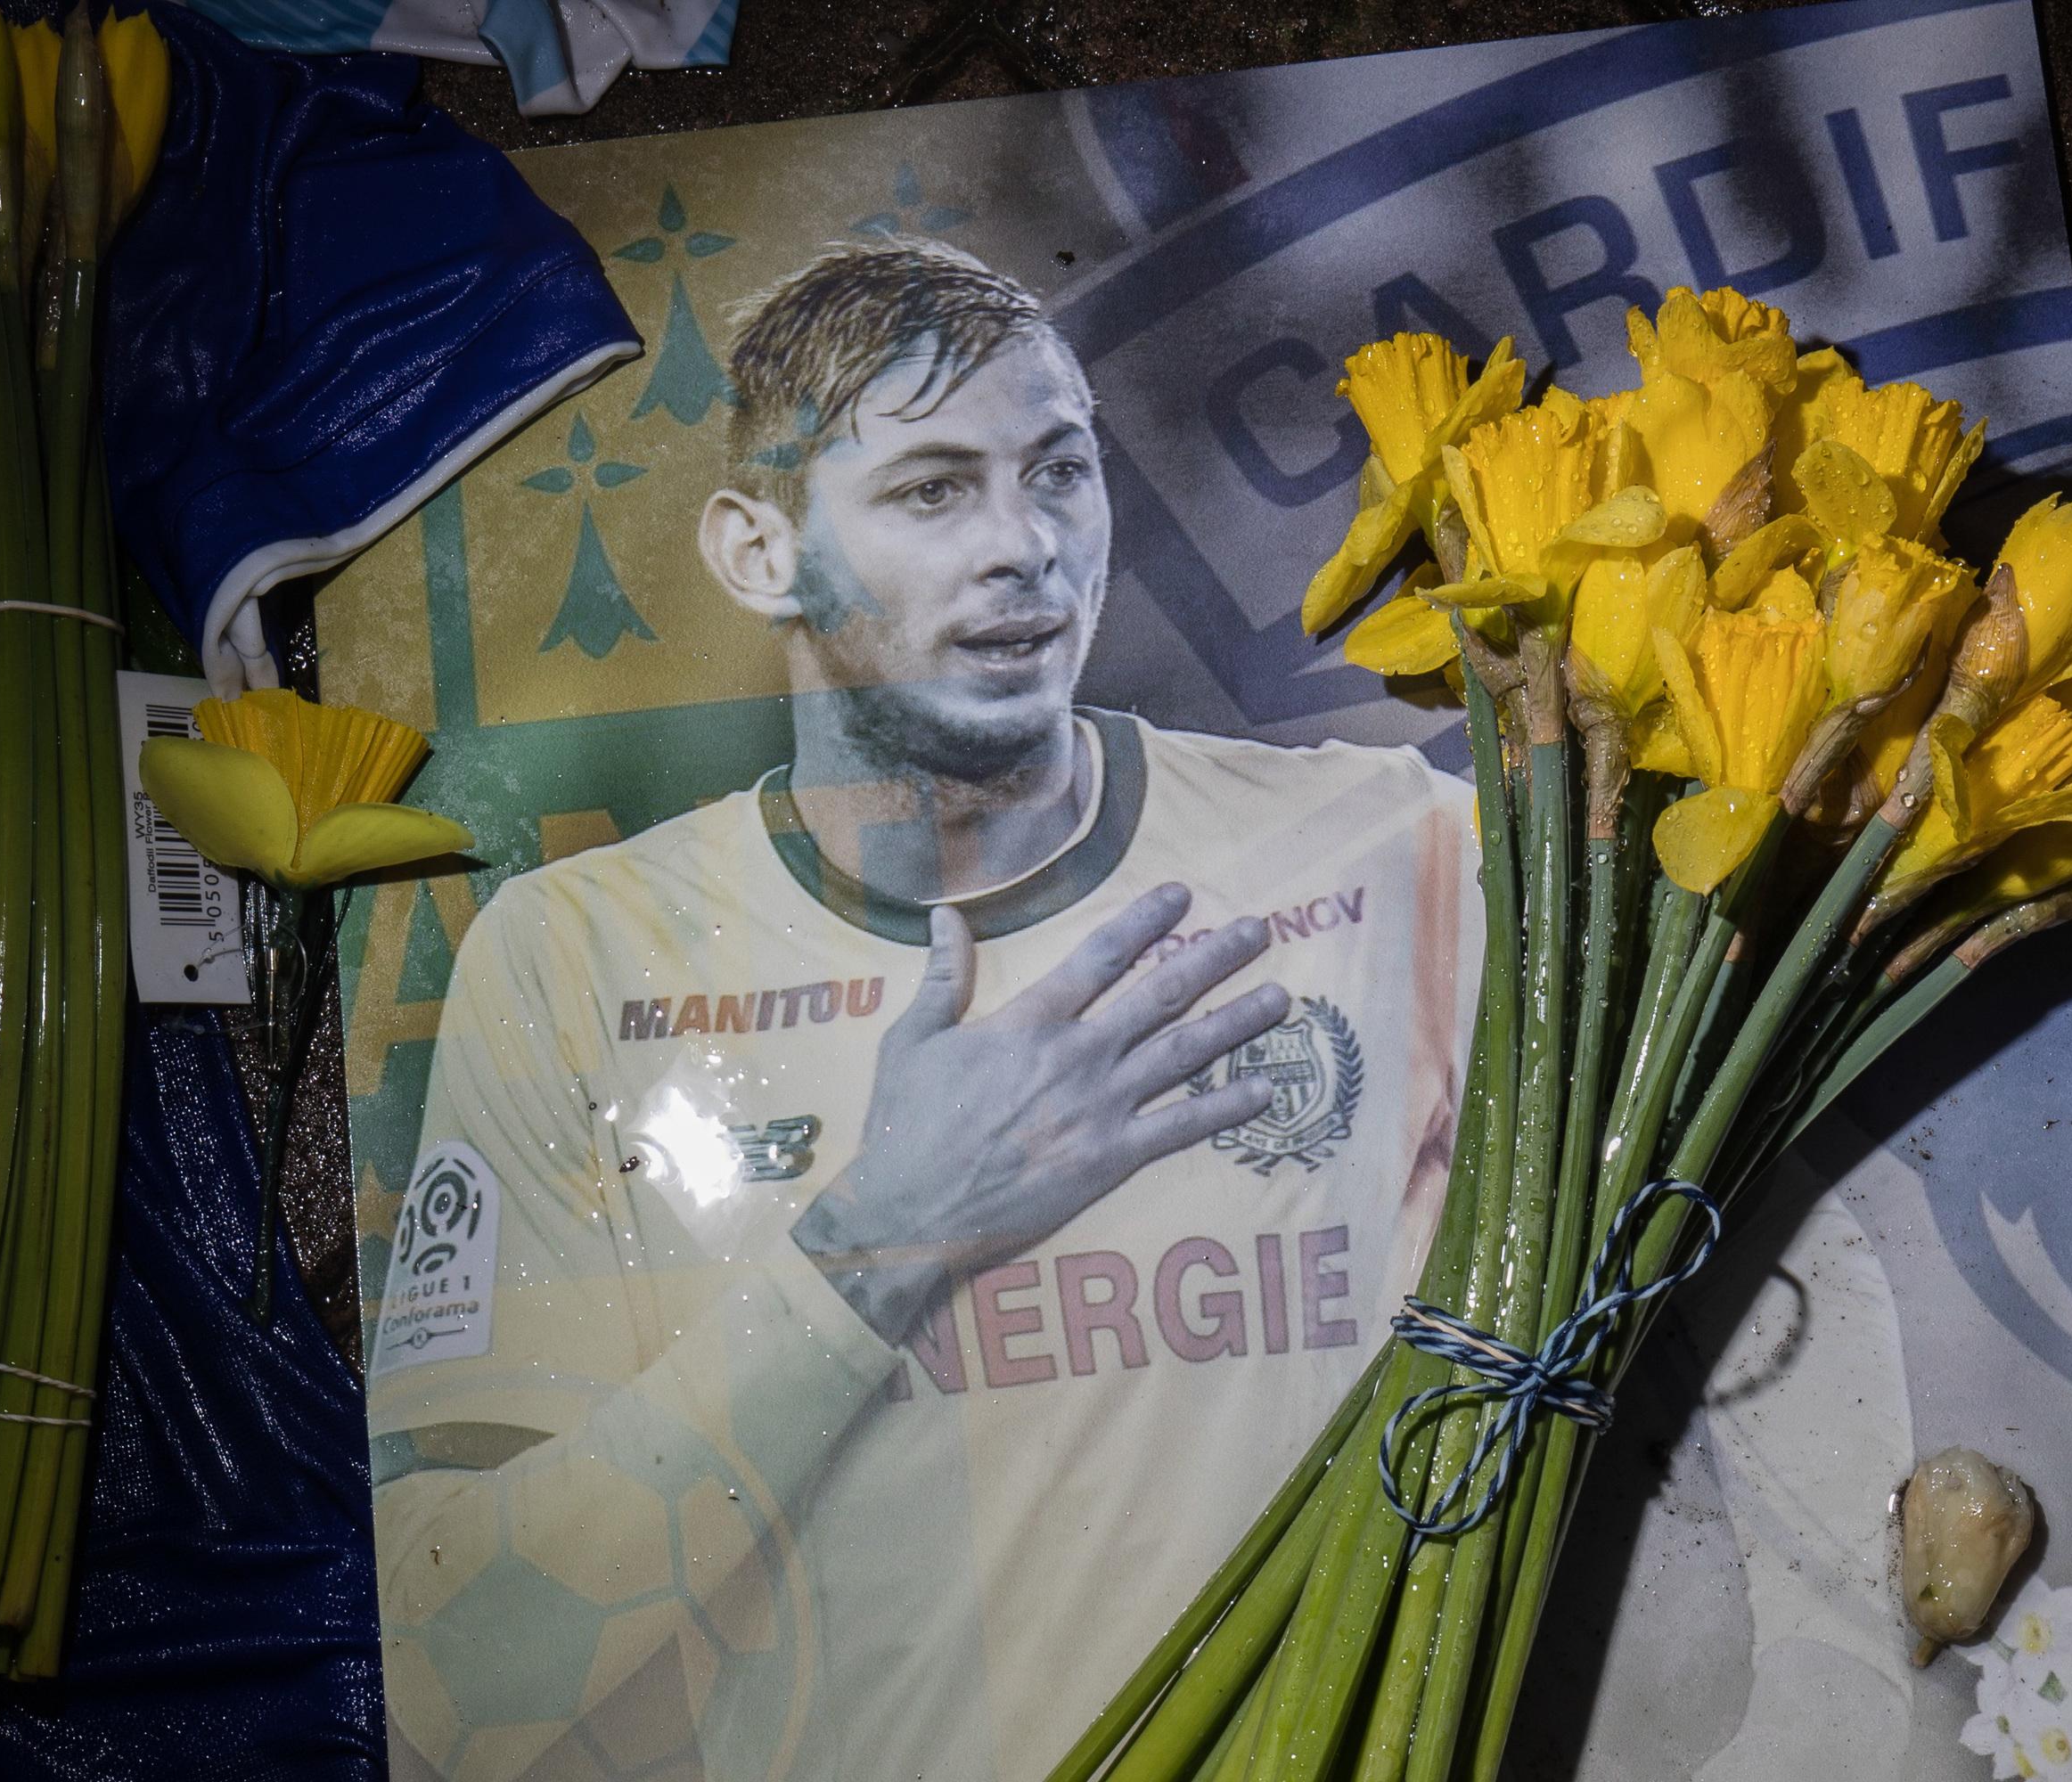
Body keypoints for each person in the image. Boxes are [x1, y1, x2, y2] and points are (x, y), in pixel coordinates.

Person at [365, 237, 1479, 1782]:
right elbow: (451, 1671)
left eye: (1060, 472)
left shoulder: (1391, 851)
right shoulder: (578, 963)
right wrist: (872, 1245)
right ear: (760, 553)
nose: (1026, 546)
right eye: (934, 489)